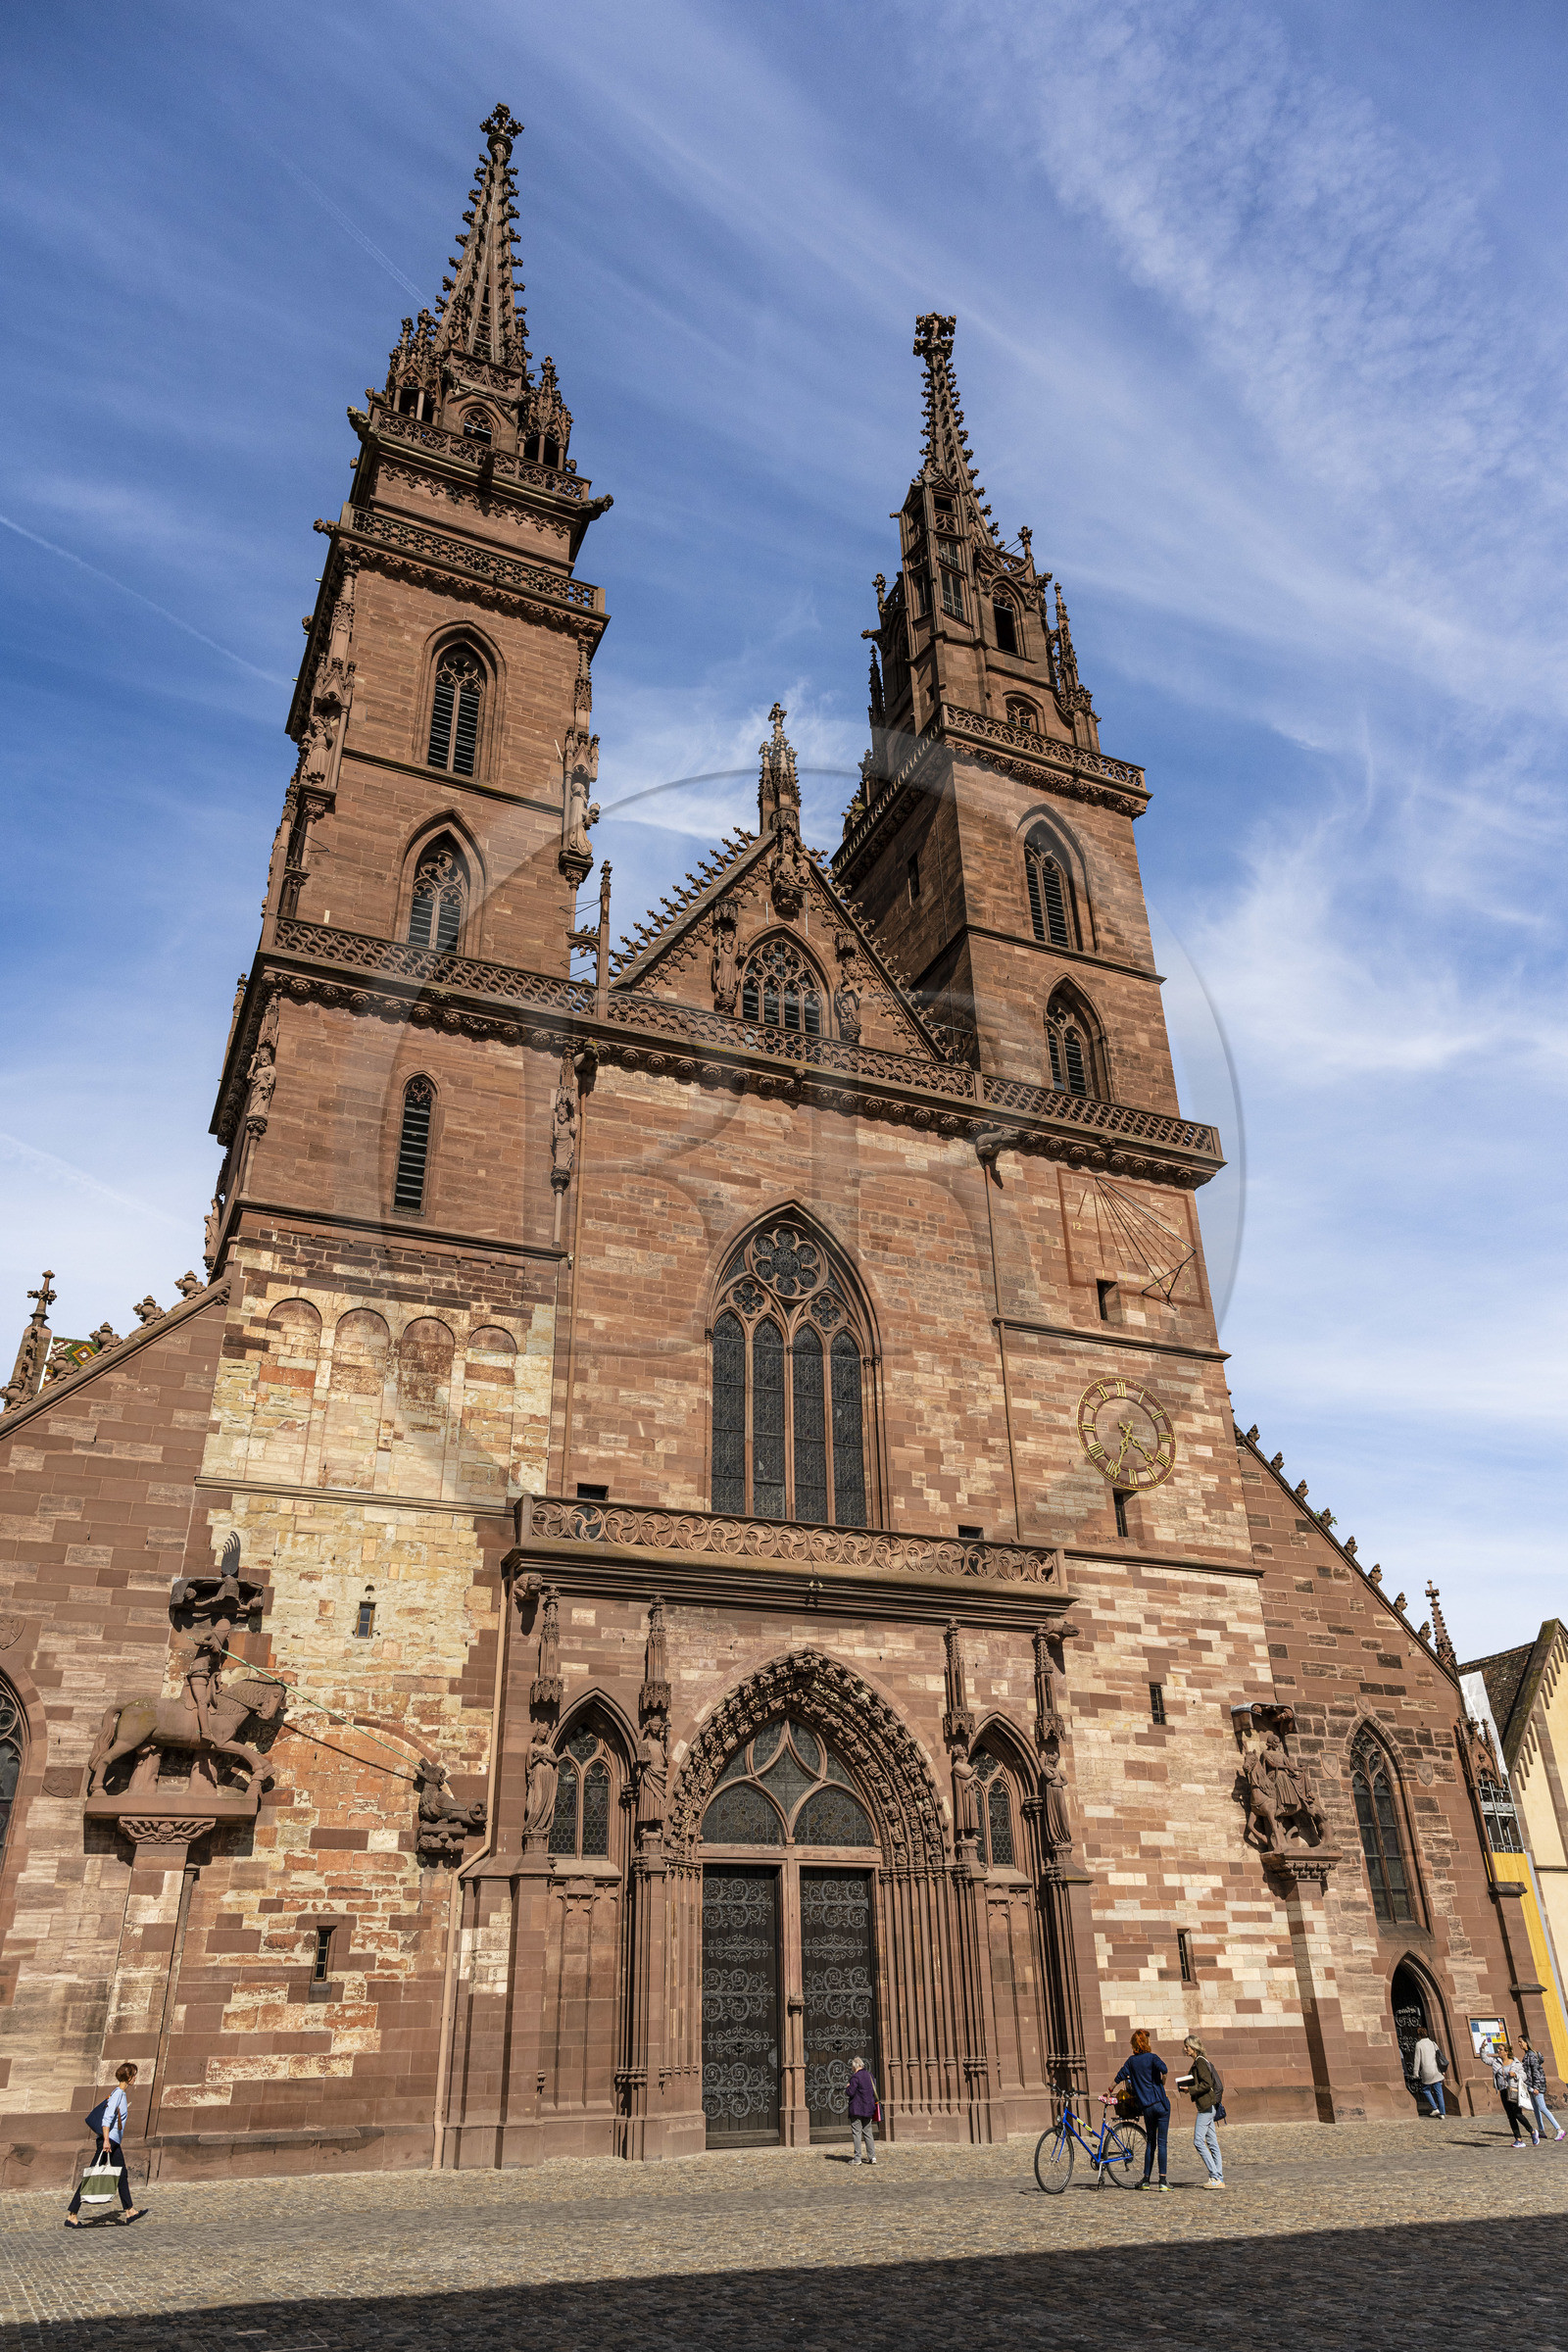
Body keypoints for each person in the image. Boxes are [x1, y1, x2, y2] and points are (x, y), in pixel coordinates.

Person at [65, 2062, 146, 2226]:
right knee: (92, 2175)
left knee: (122, 2174)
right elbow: (106, 2119)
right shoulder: (118, 2094)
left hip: (113, 2141)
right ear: (128, 2077)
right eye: (133, 2074)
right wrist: (107, 2140)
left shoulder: (120, 2094)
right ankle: (72, 2215)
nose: (135, 2077)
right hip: (109, 2141)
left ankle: (130, 2211)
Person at [1112, 2028, 1170, 2190]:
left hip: (1147, 2108)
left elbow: (1119, 2077)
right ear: (1146, 2043)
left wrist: (1109, 2090)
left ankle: (1145, 2180)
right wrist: (1163, 2082)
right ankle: (1163, 2182)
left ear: (1134, 2045)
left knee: (1151, 2142)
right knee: (1162, 2143)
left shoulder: (1131, 2062)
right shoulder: (1152, 2058)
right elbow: (1164, 2069)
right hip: (1161, 2104)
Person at [1180, 2034, 1224, 2188]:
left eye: (1187, 2046)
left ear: (1194, 2047)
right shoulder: (1198, 2062)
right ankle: (1218, 2179)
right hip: (1208, 2106)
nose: (1185, 2049)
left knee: (1198, 2141)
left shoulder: (1200, 2062)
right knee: (1212, 2143)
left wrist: (1190, 2089)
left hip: (1206, 2107)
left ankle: (1214, 2176)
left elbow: (1206, 2084)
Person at [1519, 2041, 1566, 2143]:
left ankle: (1559, 2129)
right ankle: (1541, 2131)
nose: (1519, 2044)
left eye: (1520, 2041)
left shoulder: (1531, 2055)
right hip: (1531, 2086)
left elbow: (1535, 2072)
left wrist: (1536, 2087)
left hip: (1537, 2086)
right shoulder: (1527, 2055)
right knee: (1536, 2108)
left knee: (1542, 2108)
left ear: (1526, 2043)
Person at [1493, 2048, 1538, 2148]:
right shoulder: (1496, 2062)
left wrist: (1515, 2074)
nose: (1498, 2050)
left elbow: (1524, 2076)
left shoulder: (1516, 2062)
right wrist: (1482, 2049)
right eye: (1498, 2049)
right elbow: (1485, 2059)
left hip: (1513, 2090)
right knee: (1510, 2116)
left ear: (1506, 2052)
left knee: (1517, 2114)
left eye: (1500, 2049)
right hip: (1503, 2091)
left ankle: (1532, 2131)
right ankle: (1518, 2139)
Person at [847, 2055, 879, 2166]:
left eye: (852, 2068)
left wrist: (847, 2087)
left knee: (857, 2133)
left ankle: (857, 2158)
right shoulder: (870, 2075)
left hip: (857, 2109)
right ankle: (872, 2157)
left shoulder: (855, 2077)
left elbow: (850, 2092)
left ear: (855, 2067)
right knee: (868, 2133)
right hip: (869, 2108)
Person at [1410, 2029, 1447, 2118]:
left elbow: (1417, 2059)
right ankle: (1442, 2113)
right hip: (1436, 2070)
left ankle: (1435, 2108)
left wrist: (1415, 2073)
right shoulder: (1433, 2043)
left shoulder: (1419, 2044)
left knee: (1426, 2090)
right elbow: (1439, 2057)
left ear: (1419, 2035)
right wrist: (1443, 2070)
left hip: (1427, 2071)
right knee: (1439, 2092)